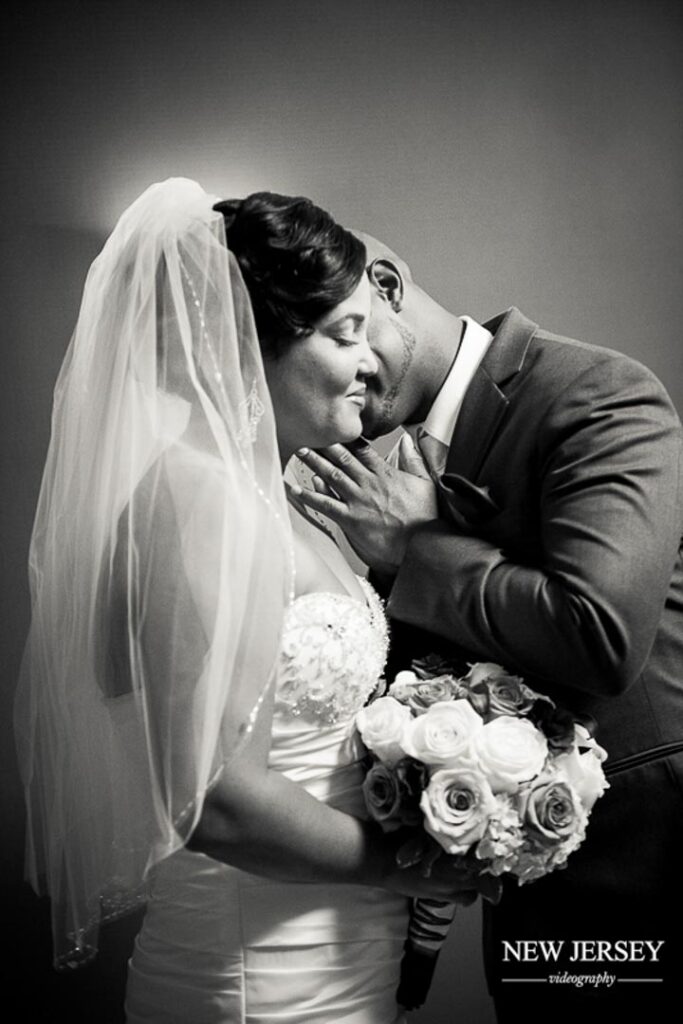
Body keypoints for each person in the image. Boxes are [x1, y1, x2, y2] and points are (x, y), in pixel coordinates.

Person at [14, 181, 475, 1024]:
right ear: (246, 343)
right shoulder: (201, 499)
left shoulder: (276, 492)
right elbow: (215, 801)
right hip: (256, 977)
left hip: (332, 951)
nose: (372, 362)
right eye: (345, 335)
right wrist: (407, 866)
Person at [293, 233, 683, 1019]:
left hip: (646, 862)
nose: (341, 395)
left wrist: (414, 550)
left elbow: (598, 635)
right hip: (518, 873)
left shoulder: (595, 390)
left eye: (345, 344)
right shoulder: (371, 461)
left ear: (385, 284)